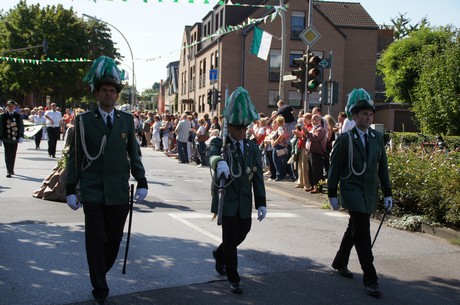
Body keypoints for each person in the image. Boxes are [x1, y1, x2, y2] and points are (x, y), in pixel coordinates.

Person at [65, 56, 148, 305]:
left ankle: (100, 270)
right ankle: (99, 287)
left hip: (119, 190)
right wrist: (71, 188)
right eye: (104, 90)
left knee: (114, 239)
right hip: (92, 190)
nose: (109, 95)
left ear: (117, 95)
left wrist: (142, 181)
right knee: (94, 238)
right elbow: (76, 158)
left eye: (113, 91)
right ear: (97, 93)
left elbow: (134, 153)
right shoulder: (83, 121)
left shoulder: (125, 120)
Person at [327, 88, 393, 298]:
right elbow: (335, 168)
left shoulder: (376, 138)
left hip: (369, 192)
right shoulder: (345, 139)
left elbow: (382, 167)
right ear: (355, 117)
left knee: (354, 229)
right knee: (363, 235)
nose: (367, 117)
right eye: (363, 114)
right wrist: (332, 194)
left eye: (370, 114)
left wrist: (388, 192)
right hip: (352, 191)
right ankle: (370, 279)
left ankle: (339, 262)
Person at [209, 87, 267, 294]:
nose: (241, 132)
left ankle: (220, 253)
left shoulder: (251, 147)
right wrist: (218, 163)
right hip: (228, 200)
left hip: (244, 202)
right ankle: (233, 277)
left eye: (244, 128)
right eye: (237, 128)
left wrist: (261, 202)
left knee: (242, 233)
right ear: (230, 127)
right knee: (231, 239)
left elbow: (258, 177)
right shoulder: (221, 143)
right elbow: (212, 154)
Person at [0, 99, 24, 178]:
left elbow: (20, 126)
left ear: (14, 107)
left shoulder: (18, 115)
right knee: (7, 154)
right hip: (6, 138)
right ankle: (8, 170)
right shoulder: (3, 115)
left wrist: (21, 136)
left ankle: (11, 168)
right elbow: (1, 127)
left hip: (15, 138)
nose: (10, 107)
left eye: (11, 106)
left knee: (13, 154)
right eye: (9, 106)